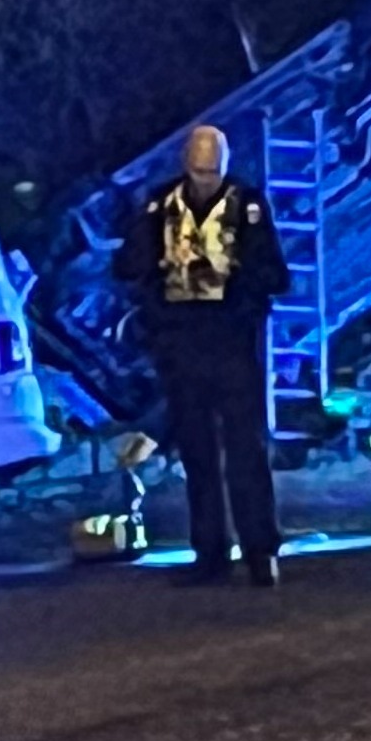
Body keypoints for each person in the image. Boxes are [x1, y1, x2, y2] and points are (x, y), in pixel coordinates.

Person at [125, 125, 292, 586]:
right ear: (185, 164)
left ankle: (260, 549)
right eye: (198, 171)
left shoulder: (247, 205)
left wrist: (243, 287)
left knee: (246, 450)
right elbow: (130, 264)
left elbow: (274, 272)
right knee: (197, 452)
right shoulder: (161, 205)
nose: (205, 181)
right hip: (182, 341)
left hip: (231, 341)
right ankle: (210, 551)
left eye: (212, 171)